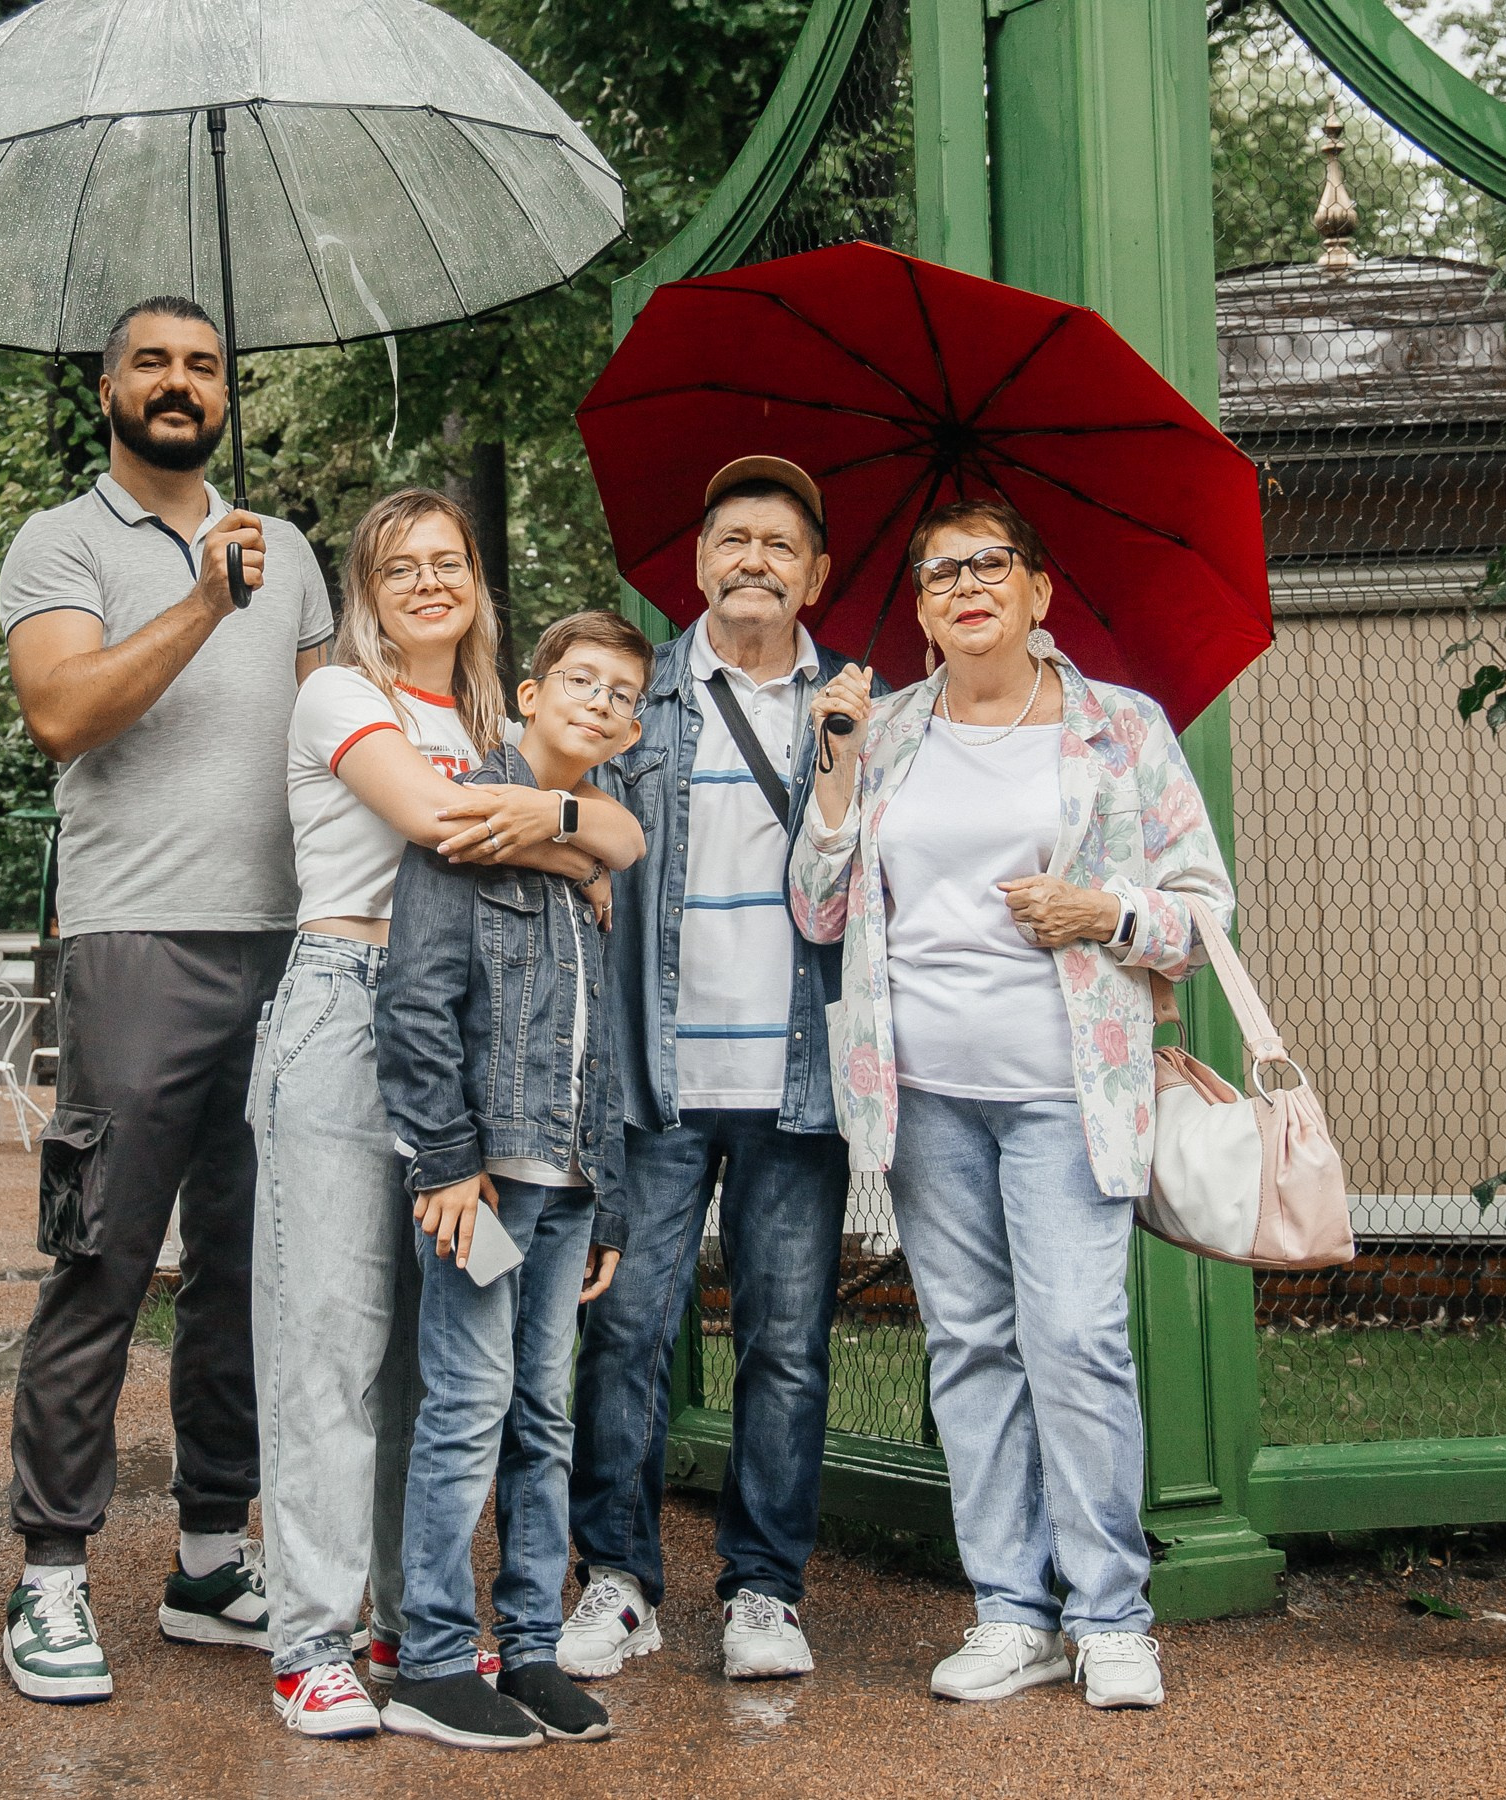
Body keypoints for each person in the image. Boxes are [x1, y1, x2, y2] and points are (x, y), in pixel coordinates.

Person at [789, 495, 1234, 1712]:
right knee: (972, 1345)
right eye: (939, 573)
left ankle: (1110, 1614)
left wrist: (1108, 915)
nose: (965, 586)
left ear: (1040, 592)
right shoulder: (879, 731)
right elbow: (819, 911)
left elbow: (1204, 907)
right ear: (922, 608)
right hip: (923, 1093)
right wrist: (831, 776)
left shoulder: (1117, 731)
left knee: (1076, 1340)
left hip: (1067, 1089)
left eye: (991, 565)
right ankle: (1009, 1611)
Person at [252, 494, 644, 1739]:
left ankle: (400, 1615)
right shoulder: (336, 696)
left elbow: (622, 828)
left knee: (443, 1360)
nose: (428, 582)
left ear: (478, 581)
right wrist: (577, 843)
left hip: (476, 1039)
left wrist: (581, 830)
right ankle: (306, 1641)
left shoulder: (488, 719)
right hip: (344, 1008)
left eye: (450, 562)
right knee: (331, 1343)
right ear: (366, 593)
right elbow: (441, 825)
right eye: (399, 567)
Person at [0, 296, 335, 1704]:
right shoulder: (61, 542)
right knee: (105, 1263)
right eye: (154, 363)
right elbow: (63, 712)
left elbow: (332, 746)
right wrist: (203, 595)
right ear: (107, 391)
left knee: (254, 1278)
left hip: (291, 946)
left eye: (203, 365)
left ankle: (209, 1556)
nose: (181, 383)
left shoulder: (292, 550)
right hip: (137, 945)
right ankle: (52, 1576)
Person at [563, 456, 870, 1684]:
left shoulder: (864, 710)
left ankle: (763, 1592)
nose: (753, 559)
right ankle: (618, 1581)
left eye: (779, 545)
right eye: (732, 538)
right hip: (655, 1082)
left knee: (787, 1343)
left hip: (800, 1090)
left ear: (816, 576)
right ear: (697, 564)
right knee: (626, 1331)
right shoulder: (635, 705)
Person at [375, 611, 653, 1752]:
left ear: (630, 728)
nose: (598, 701)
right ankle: (434, 1657)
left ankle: (528, 1646)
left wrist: (611, 1200)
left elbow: (602, 1040)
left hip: (569, 1186)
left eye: (620, 694)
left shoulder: (592, 853)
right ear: (530, 696)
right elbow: (415, 1004)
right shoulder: (469, 816)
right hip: (487, 1186)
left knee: (543, 1413)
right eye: (577, 681)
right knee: (468, 1406)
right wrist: (444, 1162)